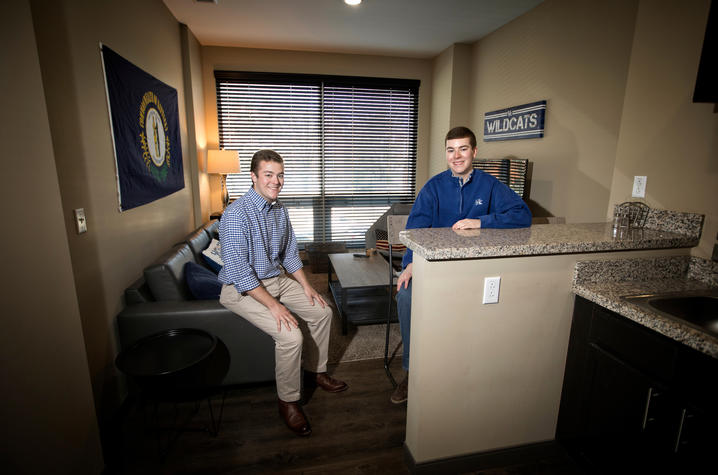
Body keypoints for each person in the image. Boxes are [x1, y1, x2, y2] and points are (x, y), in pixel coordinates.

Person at [390, 126, 532, 404]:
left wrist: (483, 221)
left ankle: (463, 370)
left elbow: (522, 214)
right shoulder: (433, 187)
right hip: (432, 266)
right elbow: (415, 230)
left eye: (463, 149)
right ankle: (411, 370)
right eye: (451, 150)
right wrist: (409, 264)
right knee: (406, 294)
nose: (456, 156)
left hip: (474, 269)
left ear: (474, 152)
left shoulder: (490, 186)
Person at [218, 149, 348, 436]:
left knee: (323, 311)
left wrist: (306, 285)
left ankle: (316, 372)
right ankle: (288, 401)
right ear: (253, 177)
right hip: (241, 289)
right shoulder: (235, 215)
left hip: (275, 278)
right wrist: (275, 307)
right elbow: (240, 272)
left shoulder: (279, 209)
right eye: (268, 175)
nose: (276, 181)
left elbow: (289, 254)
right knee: (291, 335)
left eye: (280, 175)